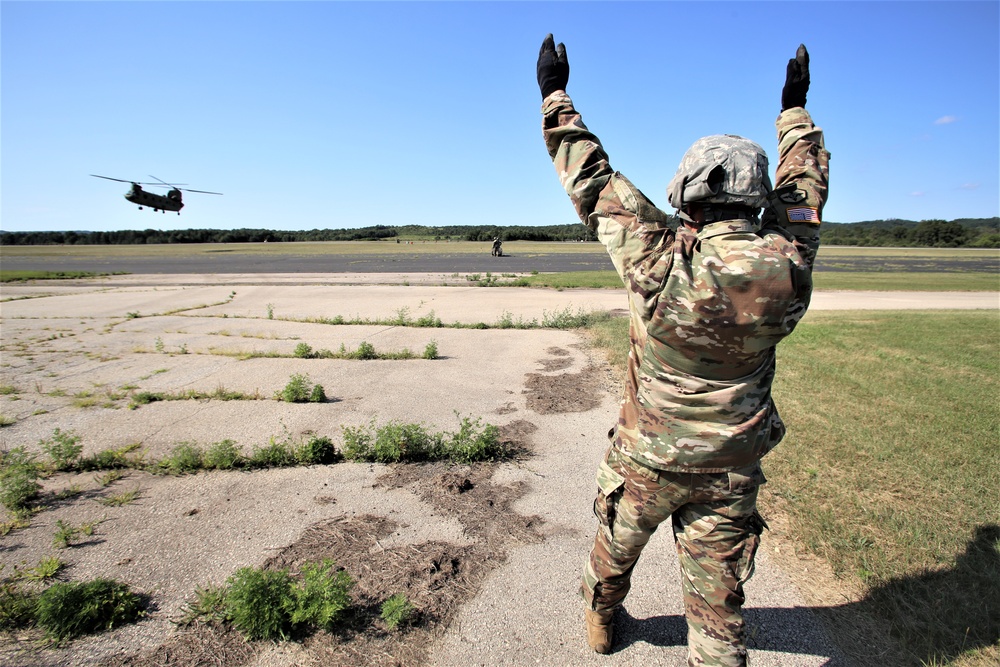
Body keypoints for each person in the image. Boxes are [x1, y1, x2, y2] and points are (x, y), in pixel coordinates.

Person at [537, 35, 830, 666]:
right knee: (718, 607)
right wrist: (794, 112)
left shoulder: (659, 257)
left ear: (686, 195)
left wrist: (556, 95)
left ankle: (601, 615)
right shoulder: (788, 264)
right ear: (759, 203)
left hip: (649, 457)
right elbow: (803, 192)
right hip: (730, 468)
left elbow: (592, 180)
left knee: (613, 551)